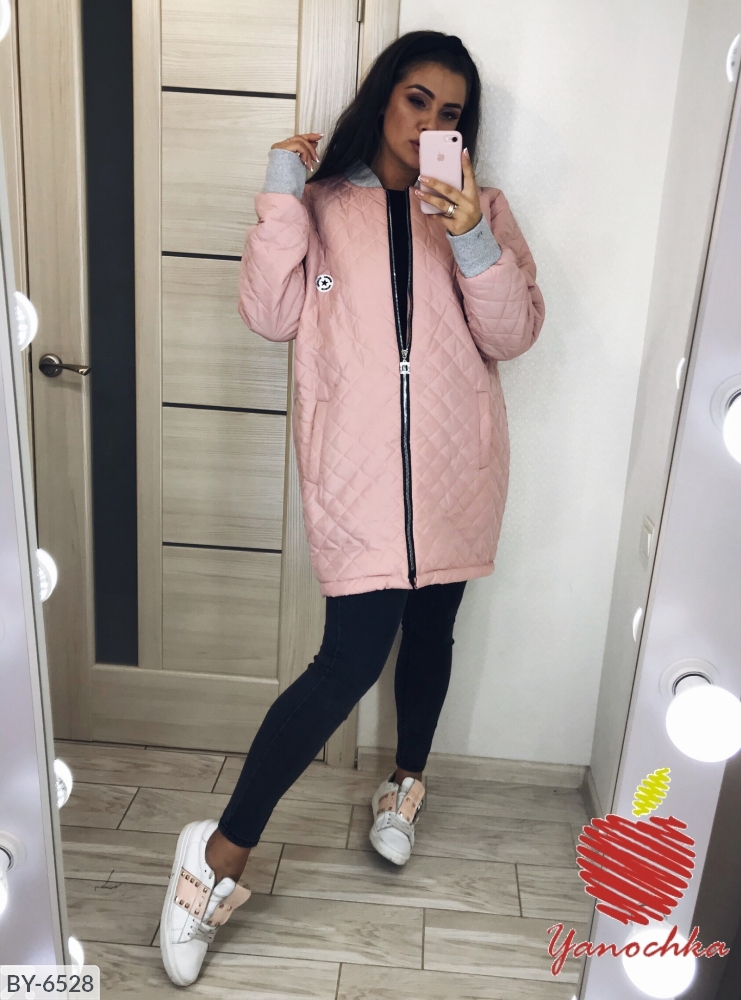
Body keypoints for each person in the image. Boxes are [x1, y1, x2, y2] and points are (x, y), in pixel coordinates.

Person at [159, 29, 545, 986]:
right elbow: (269, 314)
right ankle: (216, 858)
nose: (429, 124)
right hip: (360, 478)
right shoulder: (323, 206)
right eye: (416, 100)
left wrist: (470, 235)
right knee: (347, 663)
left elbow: (513, 334)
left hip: (456, 471)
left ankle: (404, 785)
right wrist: (280, 195)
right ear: (382, 97)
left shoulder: (482, 208)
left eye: (450, 113)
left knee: (433, 632)